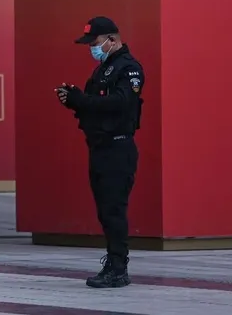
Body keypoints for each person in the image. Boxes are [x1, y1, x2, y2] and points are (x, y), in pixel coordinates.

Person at [56, 16, 143, 288]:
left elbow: (121, 102)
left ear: (112, 40)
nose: (92, 49)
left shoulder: (129, 69)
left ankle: (118, 267)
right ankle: (113, 263)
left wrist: (85, 100)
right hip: (101, 148)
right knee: (105, 210)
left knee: (114, 209)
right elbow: (94, 106)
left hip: (118, 147)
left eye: (95, 43)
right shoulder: (102, 70)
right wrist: (74, 100)